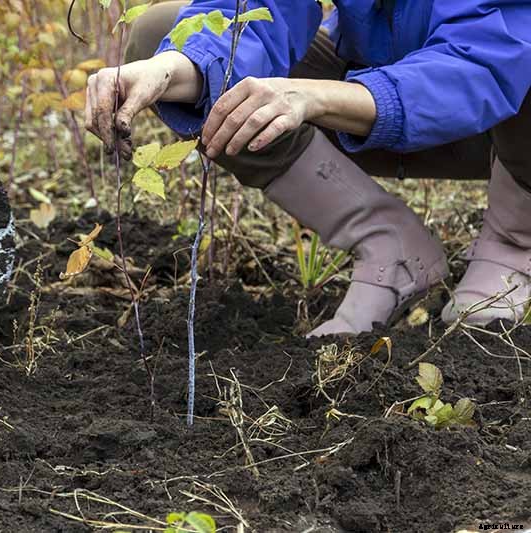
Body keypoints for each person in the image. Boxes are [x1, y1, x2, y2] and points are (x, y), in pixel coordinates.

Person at [84, 0, 531, 336]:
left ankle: (515, 244)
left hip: (498, 119)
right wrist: (172, 69)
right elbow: (260, 7)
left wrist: (317, 97)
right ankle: (389, 243)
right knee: (161, 34)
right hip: (380, 97)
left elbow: (489, 60)